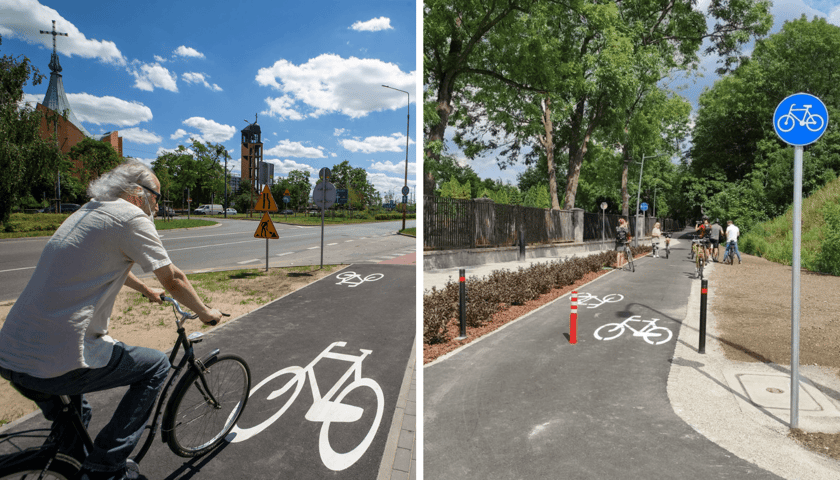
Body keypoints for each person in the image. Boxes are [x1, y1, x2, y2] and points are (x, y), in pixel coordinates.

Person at [0, 159, 222, 480]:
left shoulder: (87, 211)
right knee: (156, 366)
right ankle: (107, 467)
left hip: (12, 353)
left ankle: (64, 463)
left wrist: (146, 290)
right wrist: (206, 313)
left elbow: (111, 260)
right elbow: (173, 279)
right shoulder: (131, 216)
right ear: (137, 192)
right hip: (57, 357)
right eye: (156, 197)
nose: (157, 206)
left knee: (78, 415)